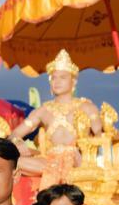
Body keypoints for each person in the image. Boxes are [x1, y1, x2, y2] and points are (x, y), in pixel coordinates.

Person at [8, 49, 102, 188]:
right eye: (54, 78)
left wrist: (86, 145)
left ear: (73, 81)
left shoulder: (87, 107)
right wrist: (18, 142)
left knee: (70, 158)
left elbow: (100, 135)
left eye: (63, 77)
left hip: (78, 160)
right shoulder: (43, 110)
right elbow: (14, 134)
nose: (57, 81)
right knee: (11, 161)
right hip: (49, 161)